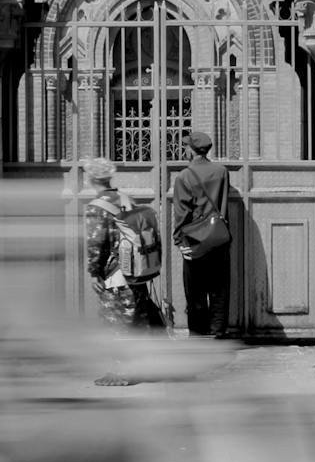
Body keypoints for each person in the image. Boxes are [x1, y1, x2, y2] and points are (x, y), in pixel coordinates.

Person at [82, 157, 165, 385]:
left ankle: (121, 373)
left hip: (115, 276)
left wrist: (95, 272)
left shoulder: (97, 207)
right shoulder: (126, 199)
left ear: (91, 179)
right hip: (136, 271)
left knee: (116, 324)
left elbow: (96, 244)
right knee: (138, 321)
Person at [170, 131, 231, 339]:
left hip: (195, 240)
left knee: (195, 290)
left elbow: (181, 212)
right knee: (219, 289)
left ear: (191, 150)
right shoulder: (222, 171)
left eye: (186, 146)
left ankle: (198, 334)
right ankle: (218, 332)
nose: (185, 149)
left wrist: (179, 241)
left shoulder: (184, 176)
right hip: (219, 237)